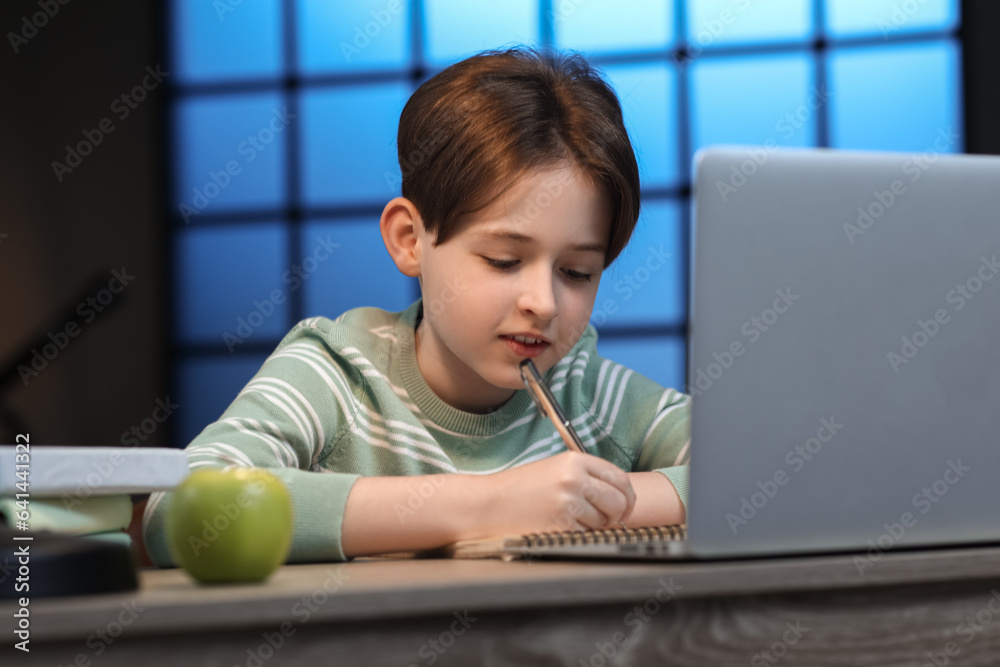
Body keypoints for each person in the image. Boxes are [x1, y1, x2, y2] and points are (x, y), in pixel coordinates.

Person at [142, 46, 690, 565]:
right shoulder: (339, 375)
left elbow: (761, 475)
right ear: (409, 238)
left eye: (577, 273)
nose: (543, 303)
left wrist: (583, 505)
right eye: (503, 260)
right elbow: (183, 507)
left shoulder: (587, 388)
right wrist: (490, 504)